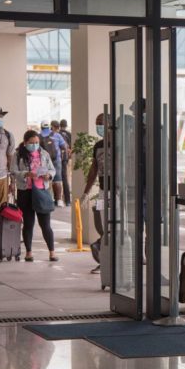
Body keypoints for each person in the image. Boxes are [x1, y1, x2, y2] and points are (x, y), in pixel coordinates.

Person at [10, 129, 58, 262]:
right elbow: (13, 170)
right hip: (26, 191)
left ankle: (52, 252)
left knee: (45, 224)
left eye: (37, 142)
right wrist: (26, 174)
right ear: (25, 143)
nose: (35, 145)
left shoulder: (44, 154)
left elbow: (52, 169)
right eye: (31, 143)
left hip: (42, 191)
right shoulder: (18, 154)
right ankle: (29, 252)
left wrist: (49, 175)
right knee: (28, 223)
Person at [81, 113, 108, 274]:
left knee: (112, 227)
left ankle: (104, 256)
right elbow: (93, 170)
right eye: (97, 123)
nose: (99, 126)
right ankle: (103, 258)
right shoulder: (98, 146)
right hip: (104, 191)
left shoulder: (120, 144)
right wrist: (86, 192)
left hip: (118, 192)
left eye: (101, 123)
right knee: (101, 224)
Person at [40, 120, 67, 207]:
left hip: (44, 161)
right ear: (49, 127)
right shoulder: (57, 135)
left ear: (41, 127)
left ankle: (48, 199)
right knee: (57, 180)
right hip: (56, 160)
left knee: (45, 179)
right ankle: (59, 200)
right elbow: (64, 147)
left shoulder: (38, 136)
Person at [59, 119, 73, 206]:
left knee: (55, 180)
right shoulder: (69, 134)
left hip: (55, 159)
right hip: (65, 159)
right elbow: (71, 148)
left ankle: (57, 199)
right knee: (65, 178)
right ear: (66, 125)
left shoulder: (56, 134)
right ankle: (67, 200)